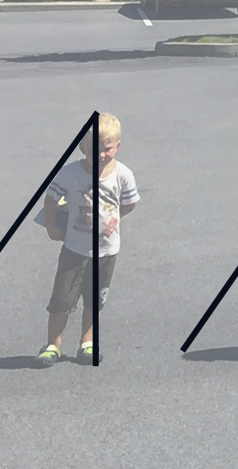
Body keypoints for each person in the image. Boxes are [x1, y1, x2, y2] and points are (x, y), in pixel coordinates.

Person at [33, 112, 138, 367]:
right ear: (82, 147)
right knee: (61, 300)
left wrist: (111, 223)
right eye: (93, 150)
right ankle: (52, 344)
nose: (100, 155)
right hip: (74, 248)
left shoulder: (122, 175)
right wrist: (52, 228)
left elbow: (129, 204)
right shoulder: (70, 174)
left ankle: (88, 342)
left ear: (118, 147)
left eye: (107, 149)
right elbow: (50, 199)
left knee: (95, 299)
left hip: (106, 251)